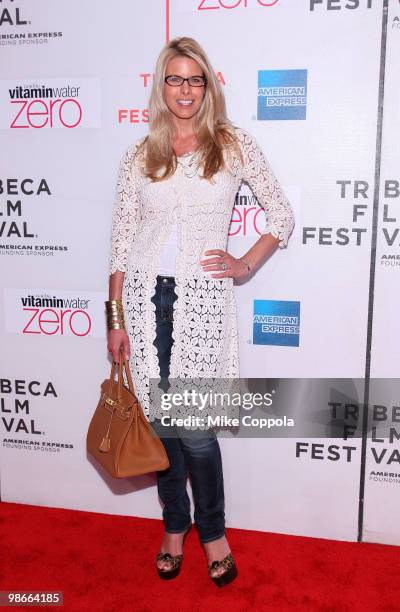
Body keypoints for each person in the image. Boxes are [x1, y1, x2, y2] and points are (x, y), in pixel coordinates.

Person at [106, 36, 294, 587]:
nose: (184, 90)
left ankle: (212, 533)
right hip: (143, 302)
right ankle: (172, 527)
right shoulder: (141, 153)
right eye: (174, 78)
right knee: (162, 428)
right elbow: (121, 241)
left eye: (195, 79)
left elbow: (280, 214)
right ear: (160, 86)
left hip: (201, 304)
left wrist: (245, 264)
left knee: (195, 434)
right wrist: (116, 319)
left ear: (207, 86)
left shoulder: (232, 145)